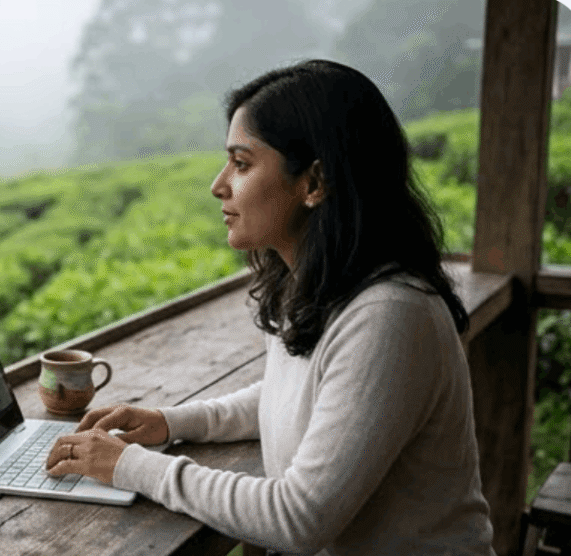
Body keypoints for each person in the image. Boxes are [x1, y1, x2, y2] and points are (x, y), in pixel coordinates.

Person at [44, 59, 496, 555]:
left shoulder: (390, 314)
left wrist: (130, 466)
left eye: (242, 163)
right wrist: (170, 422)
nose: (219, 185)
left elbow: (298, 518)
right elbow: (295, 396)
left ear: (314, 182)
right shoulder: (311, 285)